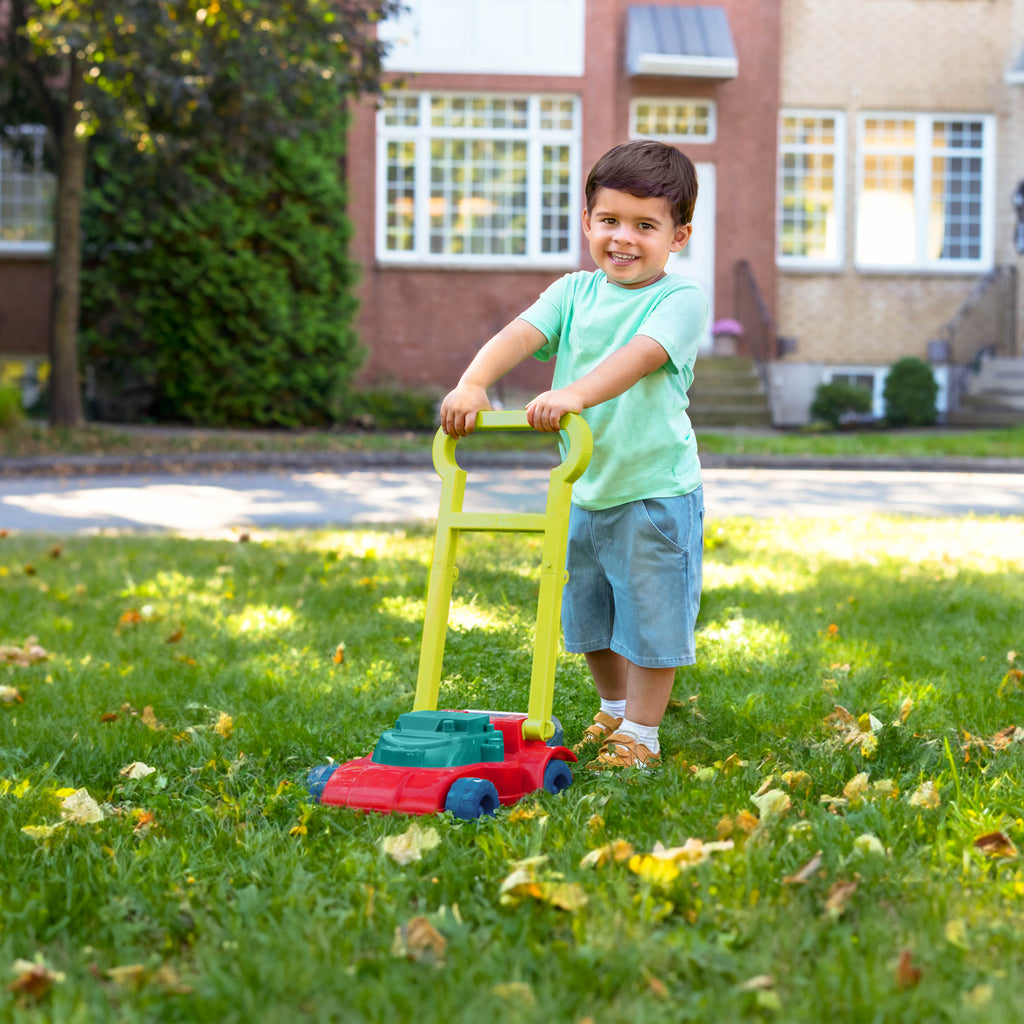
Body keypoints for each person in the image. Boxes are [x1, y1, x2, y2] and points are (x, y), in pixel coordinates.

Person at [439, 139, 707, 770]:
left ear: (679, 235)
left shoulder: (678, 300)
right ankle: (613, 711)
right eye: (610, 221)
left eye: (646, 226)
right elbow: (519, 335)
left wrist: (573, 395)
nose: (624, 239)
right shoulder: (572, 292)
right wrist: (474, 382)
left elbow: (636, 358)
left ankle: (641, 734)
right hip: (582, 488)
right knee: (586, 615)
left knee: (650, 620)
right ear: (587, 221)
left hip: (653, 491)